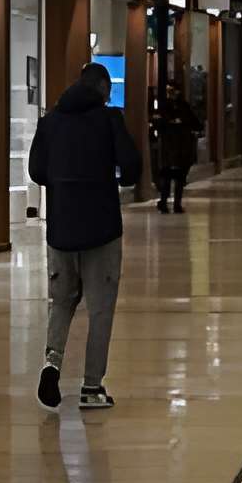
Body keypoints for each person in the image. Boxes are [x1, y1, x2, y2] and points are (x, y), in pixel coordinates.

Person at [28, 60, 140, 411]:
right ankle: (92, 387)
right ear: (104, 89)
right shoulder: (110, 120)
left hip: (61, 229)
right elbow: (131, 168)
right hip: (101, 229)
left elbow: (36, 171)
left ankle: (52, 365)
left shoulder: (50, 122)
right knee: (100, 308)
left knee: (61, 302)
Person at [148, 81, 201, 214]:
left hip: (181, 147)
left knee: (179, 177)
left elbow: (195, 123)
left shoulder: (183, 106)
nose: (171, 94)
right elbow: (157, 121)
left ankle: (176, 203)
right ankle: (164, 202)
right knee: (167, 176)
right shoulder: (164, 107)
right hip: (169, 146)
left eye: (172, 91)